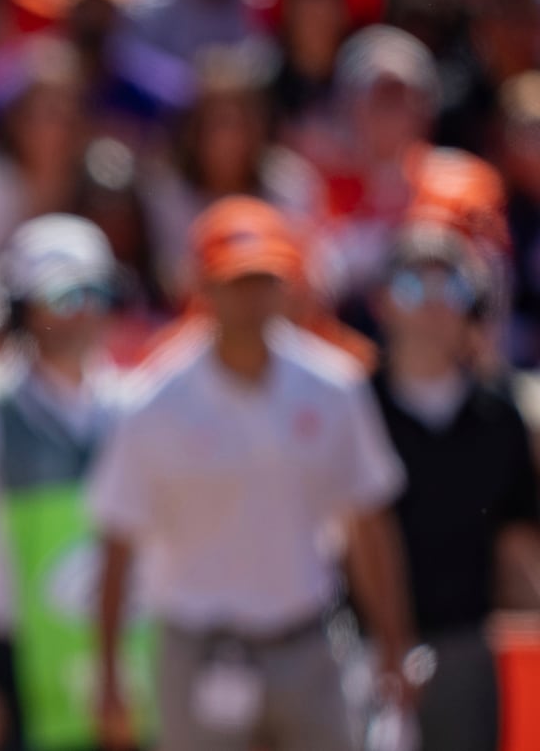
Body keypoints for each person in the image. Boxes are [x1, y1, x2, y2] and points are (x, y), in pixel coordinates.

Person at [89, 196, 413, 751]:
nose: (250, 298)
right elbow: (118, 542)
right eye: (235, 282)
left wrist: (393, 642)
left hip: (308, 644)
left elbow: (368, 523)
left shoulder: (333, 386)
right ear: (203, 288)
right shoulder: (154, 402)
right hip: (198, 652)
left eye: (263, 279)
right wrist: (110, 674)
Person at [0, 216, 147, 751]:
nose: (83, 310)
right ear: (23, 306)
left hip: (125, 661)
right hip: (8, 666)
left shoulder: (136, 406)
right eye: (64, 295)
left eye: (95, 291)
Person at [366, 224, 540, 751]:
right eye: (413, 288)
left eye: (451, 288)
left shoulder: (500, 415)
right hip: (363, 652)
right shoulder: (351, 407)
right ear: (382, 302)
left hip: (467, 648)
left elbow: (516, 543)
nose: (434, 306)